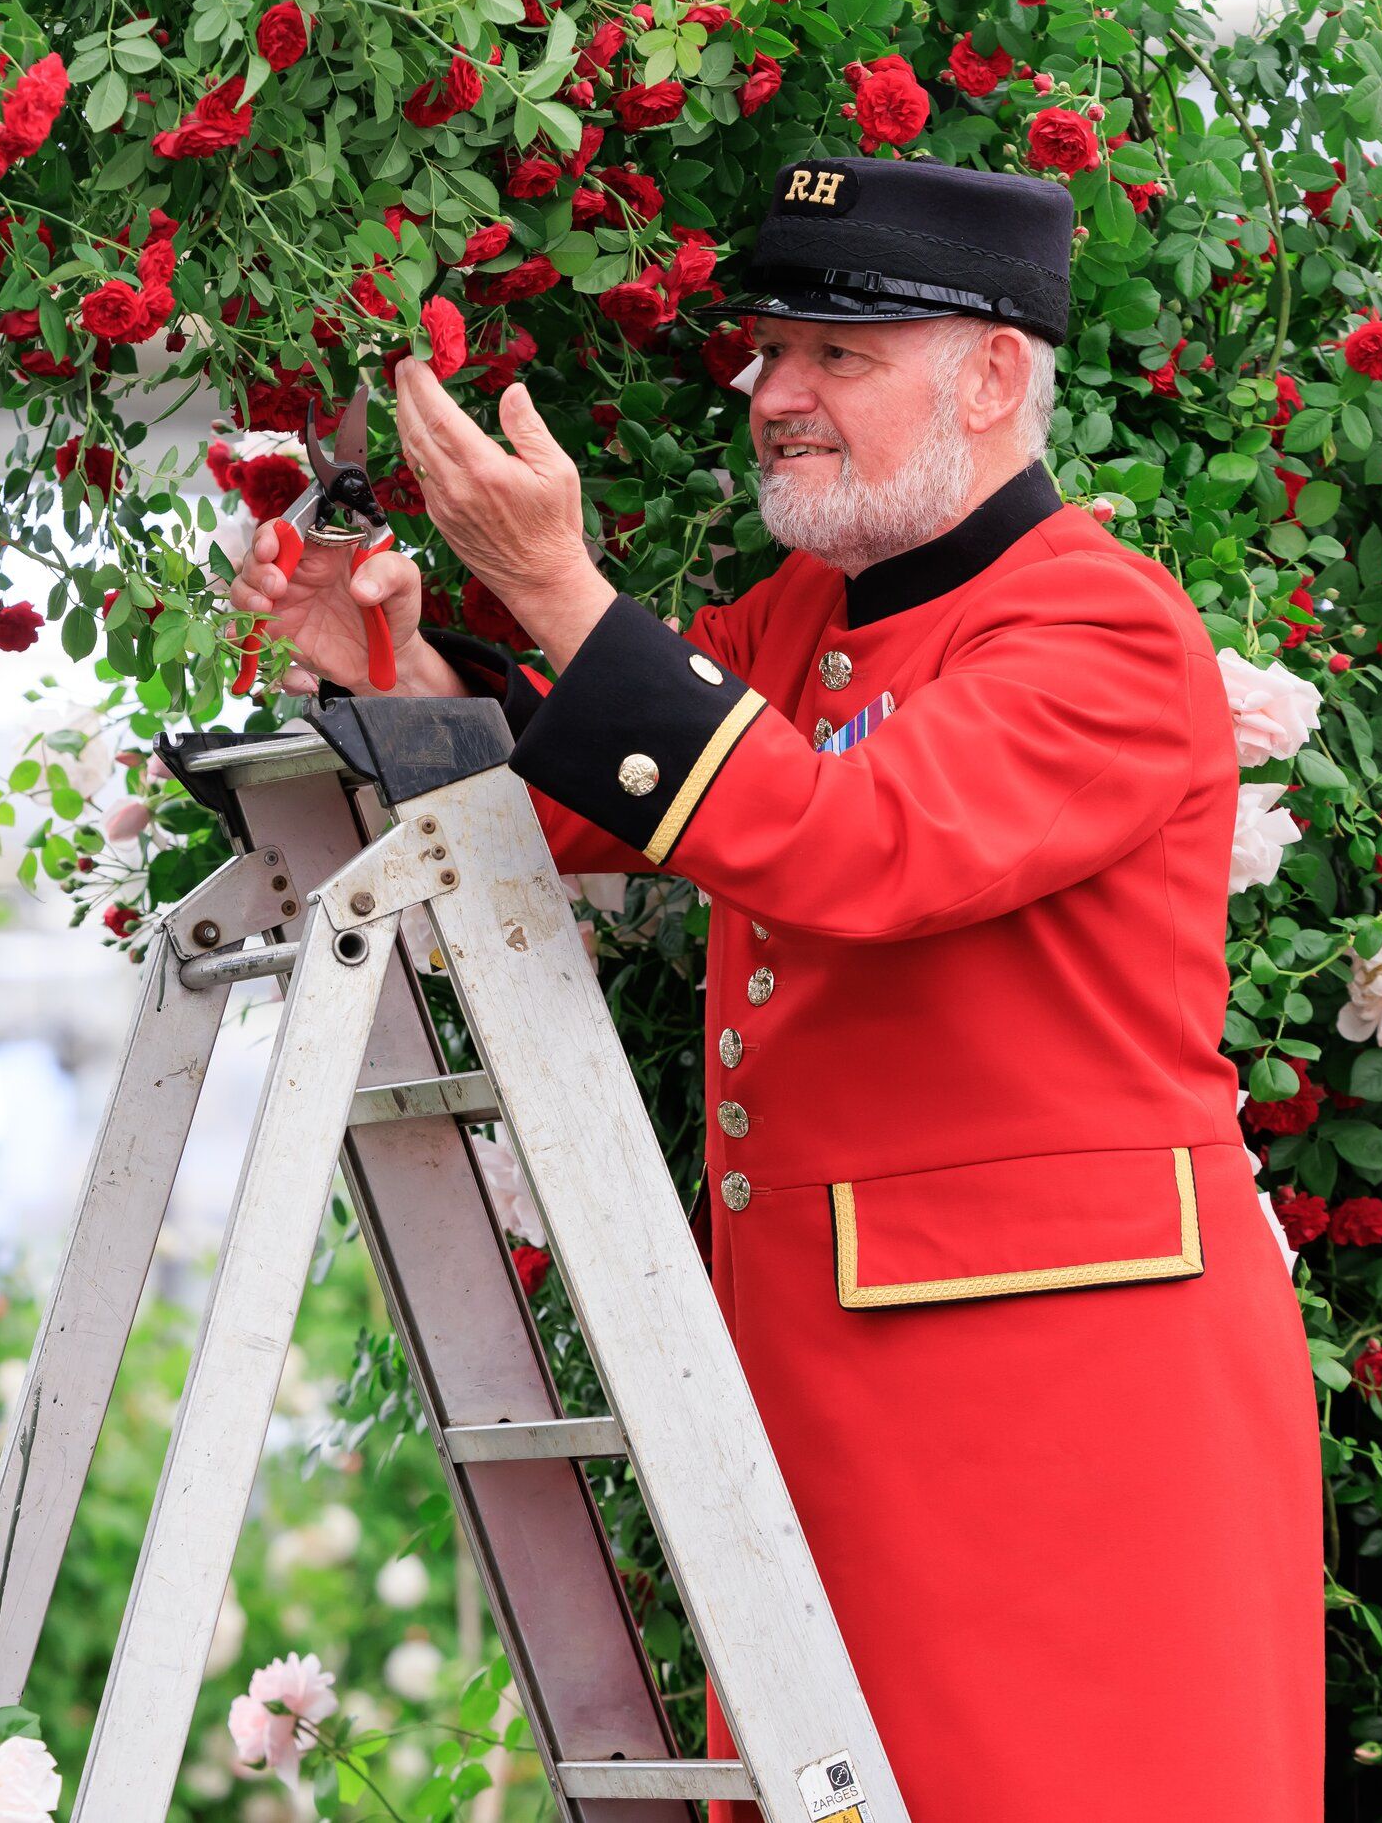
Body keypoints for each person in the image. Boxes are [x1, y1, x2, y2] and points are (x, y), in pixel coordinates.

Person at [233, 156, 1322, 1823]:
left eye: (836, 357)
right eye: (772, 351)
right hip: (850, 1381)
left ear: (993, 374)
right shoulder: (819, 611)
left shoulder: (1101, 626)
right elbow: (602, 789)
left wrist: (556, 585)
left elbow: (845, 846)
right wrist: (389, 656)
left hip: (1058, 1424)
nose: (775, 393)